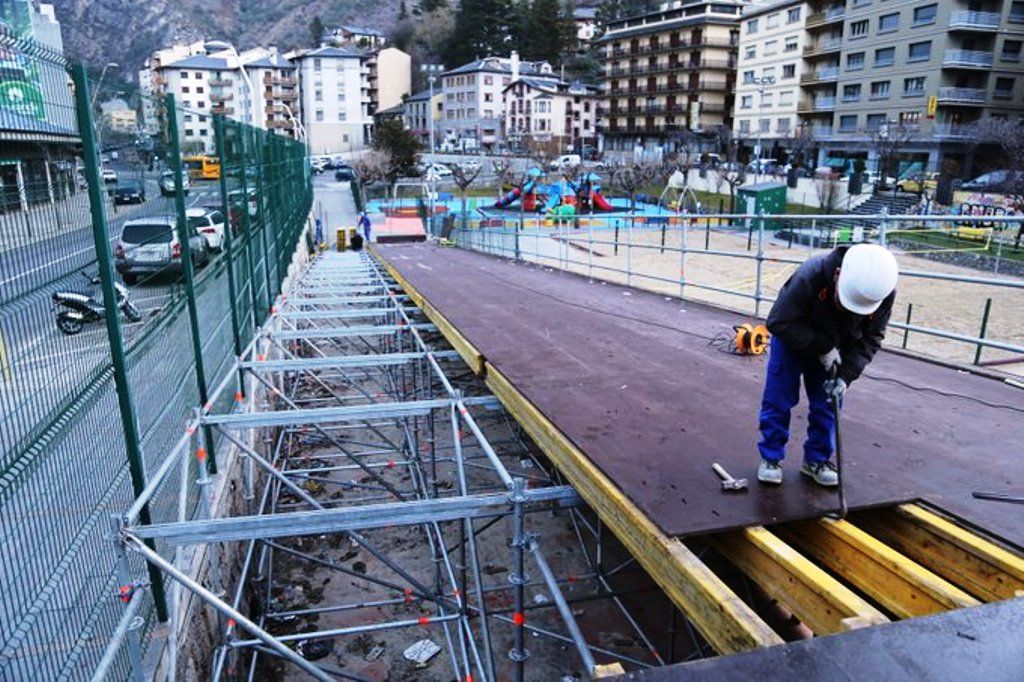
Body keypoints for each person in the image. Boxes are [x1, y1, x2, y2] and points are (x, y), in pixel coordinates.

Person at [756, 243, 899, 487]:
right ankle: (771, 457)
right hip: (793, 338)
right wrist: (822, 346)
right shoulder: (809, 276)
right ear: (837, 275)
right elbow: (778, 322)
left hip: (835, 346)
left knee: (828, 403)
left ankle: (817, 461)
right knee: (779, 398)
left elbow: (872, 337)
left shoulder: (881, 290)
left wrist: (846, 375)